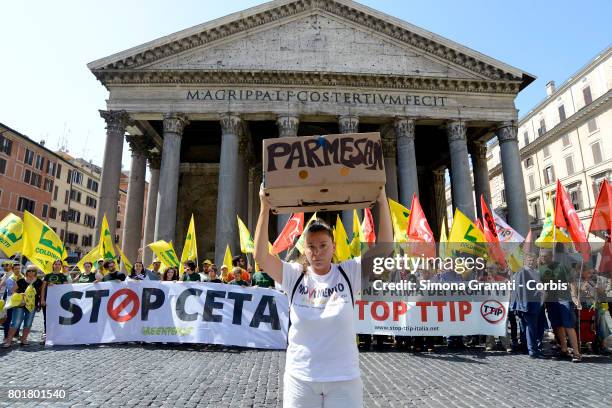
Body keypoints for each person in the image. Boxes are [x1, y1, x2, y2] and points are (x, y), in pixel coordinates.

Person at [254, 185, 392, 408]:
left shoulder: (349, 272)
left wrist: (382, 199)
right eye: (311, 247)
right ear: (304, 250)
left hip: (344, 379)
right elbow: (261, 255)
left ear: (333, 247)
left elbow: (385, 250)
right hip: (301, 379)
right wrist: (264, 207)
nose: (317, 252)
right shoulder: (293, 275)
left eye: (323, 245)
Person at [539, 248, 581, 362]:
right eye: (541, 257)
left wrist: (574, 296)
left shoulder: (561, 266)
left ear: (551, 257)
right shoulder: (541, 269)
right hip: (551, 301)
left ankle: (576, 353)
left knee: (568, 325)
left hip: (564, 299)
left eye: (545, 256)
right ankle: (564, 348)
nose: (543, 259)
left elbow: (572, 281)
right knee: (557, 325)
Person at [2, 265, 42, 347]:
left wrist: (40, 304)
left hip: (32, 305)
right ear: (26, 271)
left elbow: (41, 293)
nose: (31, 272)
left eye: (33, 270)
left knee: (28, 322)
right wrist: (20, 294)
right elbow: (13, 291)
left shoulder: (39, 282)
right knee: (15, 322)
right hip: (20, 304)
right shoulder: (20, 281)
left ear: (35, 272)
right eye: (29, 270)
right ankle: (9, 340)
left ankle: (24, 339)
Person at [40, 259, 70, 338]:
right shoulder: (47, 276)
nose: (57, 266)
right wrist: (42, 299)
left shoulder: (63, 276)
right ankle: (46, 332)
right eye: (56, 264)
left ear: (61, 266)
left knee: (58, 317)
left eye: (59, 264)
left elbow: (65, 288)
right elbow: (43, 289)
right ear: (53, 265)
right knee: (47, 317)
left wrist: (58, 286)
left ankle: (58, 333)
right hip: (47, 300)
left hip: (59, 301)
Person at [1, 261, 21, 340]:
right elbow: (11, 290)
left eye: (19, 269)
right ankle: (6, 336)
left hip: (18, 300)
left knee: (17, 319)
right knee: (8, 319)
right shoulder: (10, 278)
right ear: (12, 269)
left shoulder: (21, 277)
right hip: (10, 300)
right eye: (16, 269)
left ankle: (15, 334)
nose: (18, 270)